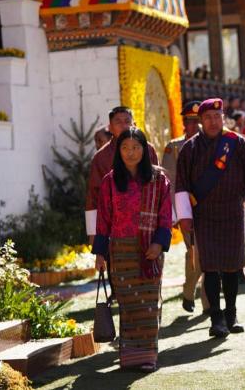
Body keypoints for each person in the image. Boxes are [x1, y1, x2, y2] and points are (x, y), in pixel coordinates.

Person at [175, 98, 245, 337]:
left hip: (233, 213)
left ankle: (231, 314)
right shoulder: (190, 149)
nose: (213, 122)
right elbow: (181, 184)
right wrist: (184, 216)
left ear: (223, 117)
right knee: (211, 268)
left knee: (232, 266)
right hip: (204, 215)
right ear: (200, 121)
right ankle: (216, 318)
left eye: (217, 117)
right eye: (207, 118)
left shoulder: (236, 143)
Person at [93, 127, 172, 372]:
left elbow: (165, 215)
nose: (131, 152)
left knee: (148, 305)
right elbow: (104, 218)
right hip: (121, 252)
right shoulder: (110, 181)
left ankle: (148, 356)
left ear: (145, 149)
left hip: (149, 250)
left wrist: (159, 243)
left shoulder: (159, 179)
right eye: (125, 147)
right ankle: (130, 357)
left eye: (136, 147)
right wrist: (100, 253)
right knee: (128, 307)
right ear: (119, 150)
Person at [162, 101, 209, 314]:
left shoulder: (211, 143)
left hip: (210, 207)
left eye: (197, 121)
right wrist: (174, 213)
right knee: (195, 252)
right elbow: (169, 182)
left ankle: (208, 303)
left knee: (209, 253)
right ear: (184, 122)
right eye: (190, 121)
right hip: (186, 209)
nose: (194, 126)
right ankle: (189, 292)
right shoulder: (174, 147)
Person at [86, 106, 158, 245]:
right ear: (110, 128)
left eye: (127, 121)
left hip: (147, 222)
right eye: (118, 122)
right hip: (115, 225)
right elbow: (94, 195)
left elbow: (159, 186)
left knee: (149, 264)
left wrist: (165, 223)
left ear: (134, 124)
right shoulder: (101, 157)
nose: (124, 125)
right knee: (118, 264)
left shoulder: (148, 150)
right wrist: (93, 232)